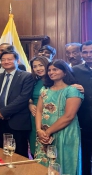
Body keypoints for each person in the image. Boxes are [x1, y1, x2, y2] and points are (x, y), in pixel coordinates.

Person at [35, 60, 83, 175]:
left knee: (64, 163)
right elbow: (39, 111)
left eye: (55, 69)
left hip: (65, 133)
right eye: (49, 70)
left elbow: (69, 116)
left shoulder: (72, 90)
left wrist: (48, 132)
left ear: (65, 72)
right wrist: (39, 130)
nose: (51, 72)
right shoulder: (44, 90)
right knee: (43, 165)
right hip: (44, 135)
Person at [0, 50, 34, 157]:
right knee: (2, 152)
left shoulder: (26, 76)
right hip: (0, 121)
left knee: (19, 153)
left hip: (18, 121)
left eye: (9, 59)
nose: (6, 62)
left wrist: (4, 111)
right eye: (3, 60)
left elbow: (23, 98)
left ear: (17, 61)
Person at [72, 40, 92, 175]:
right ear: (81, 54)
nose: (89, 55)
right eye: (85, 52)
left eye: (91, 52)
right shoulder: (75, 70)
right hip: (83, 120)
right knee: (84, 155)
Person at [28, 56, 50, 156]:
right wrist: (30, 104)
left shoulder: (54, 80)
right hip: (34, 118)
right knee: (35, 149)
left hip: (50, 118)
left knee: (49, 149)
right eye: (35, 66)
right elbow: (29, 97)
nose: (38, 69)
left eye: (41, 65)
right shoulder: (34, 81)